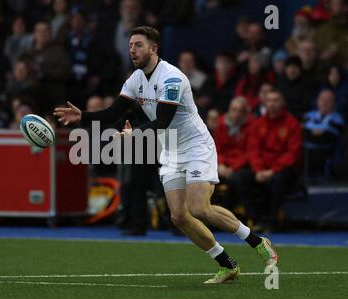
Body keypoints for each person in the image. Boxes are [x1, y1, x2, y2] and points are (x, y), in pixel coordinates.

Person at [54, 26, 278, 284]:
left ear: (153, 48)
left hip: (196, 145)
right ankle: (227, 265)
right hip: (170, 149)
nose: (132, 50)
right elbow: (114, 112)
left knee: (199, 208)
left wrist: (134, 134)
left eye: (138, 45)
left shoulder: (172, 77)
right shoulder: (135, 79)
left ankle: (257, 240)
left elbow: (162, 121)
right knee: (179, 216)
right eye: (130, 45)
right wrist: (83, 116)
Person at [248, 90, 302, 231]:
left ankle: (271, 220)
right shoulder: (258, 123)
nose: (272, 104)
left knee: (279, 179)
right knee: (242, 177)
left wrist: (272, 171)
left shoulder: (292, 124)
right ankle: (255, 219)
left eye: (276, 100)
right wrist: (258, 169)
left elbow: (292, 153)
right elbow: (253, 149)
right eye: (269, 100)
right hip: (262, 167)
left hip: (282, 169)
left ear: (283, 103)